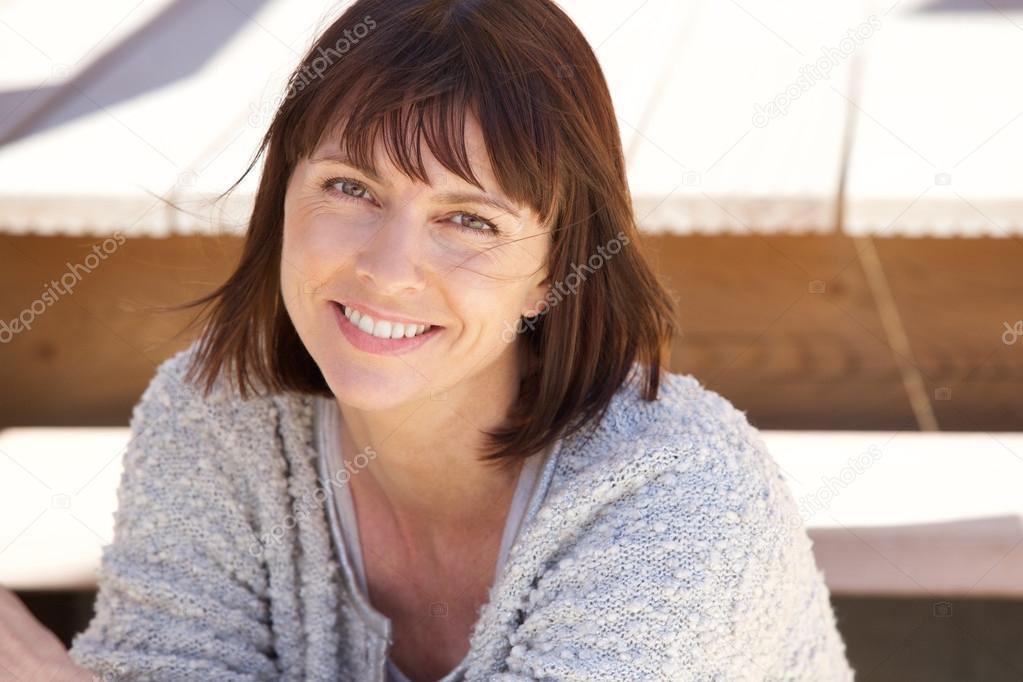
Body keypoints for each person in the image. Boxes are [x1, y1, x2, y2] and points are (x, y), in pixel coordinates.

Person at [0, 0, 855, 679]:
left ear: (555, 266)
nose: (388, 269)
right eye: (350, 187)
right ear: (280, 200)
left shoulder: (680, 493)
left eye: (467, 220)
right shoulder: (213, 415)